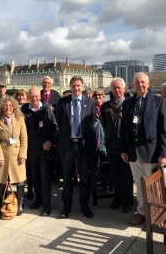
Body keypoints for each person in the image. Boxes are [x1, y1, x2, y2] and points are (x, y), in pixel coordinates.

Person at [120, 72, 166, 225]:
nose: (140, 85)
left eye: (143, 82)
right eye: (137, 82)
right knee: (140, 186)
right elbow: (124, 129)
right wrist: (124, 149)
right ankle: (141, 211)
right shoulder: (128, 103)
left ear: (148, 84)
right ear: (133, 85)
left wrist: (163, 153)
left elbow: (164, 130)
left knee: (154, 186)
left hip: (151, 152)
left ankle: (156, 213)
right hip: (133, 152)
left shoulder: (159, 101)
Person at [56, 75, 96, 219]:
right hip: (68, 144)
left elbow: (91, 124)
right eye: (73, 86)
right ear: (70, 86)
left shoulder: (90, 102)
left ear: (82, 86)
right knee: (67, 177)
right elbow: (59, 123)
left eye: (78, 85)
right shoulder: (62, 102)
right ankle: (66, 207)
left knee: (84, 177)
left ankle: (84, 206)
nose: (76, 88)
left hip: (83, 145)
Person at [21, 87, 58, 216]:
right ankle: (39, 200)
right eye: (31, 97)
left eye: (36, 96)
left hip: (44, 149)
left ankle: (47, 206)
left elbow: (55, 128)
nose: (34, 99)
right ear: (28, 97)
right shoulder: (24, 110)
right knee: (35, 176)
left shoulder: (47, 110)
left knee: (45, 178)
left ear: (40, 96)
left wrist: (50, 141)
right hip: (31, 149)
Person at [101, 78, 134, 213]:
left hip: (126, 147)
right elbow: (103, 124)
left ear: (124, 89)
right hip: (112, 146)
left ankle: (127, 201)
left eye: (119, 88)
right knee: (115, 175)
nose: (117, 90)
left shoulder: (131, 104)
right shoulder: (106, 106)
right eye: (114, 88)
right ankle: (117, 198)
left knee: (127, 176)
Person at [0, 96, 28, 215]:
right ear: (2, 108)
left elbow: (24, 138)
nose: (8, 108)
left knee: (19, 181)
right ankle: (2, 202)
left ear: (14, 108)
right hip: (3, 154)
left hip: (17, 154)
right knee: (2, 181)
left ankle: (20, 203)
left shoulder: (20, 120)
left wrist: (23, 154)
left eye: (10, 106)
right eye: (6, 106)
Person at [91, 89, 108, 193]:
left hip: (105, 141)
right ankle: (93, 183)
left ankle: (105, 185)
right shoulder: (90, 108)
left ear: (103, 96)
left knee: (105, 165)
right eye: (95, 95)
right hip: (93, 141)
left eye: (100, 95)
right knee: (93, 165)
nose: (98, 97)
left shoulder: (107, 107)